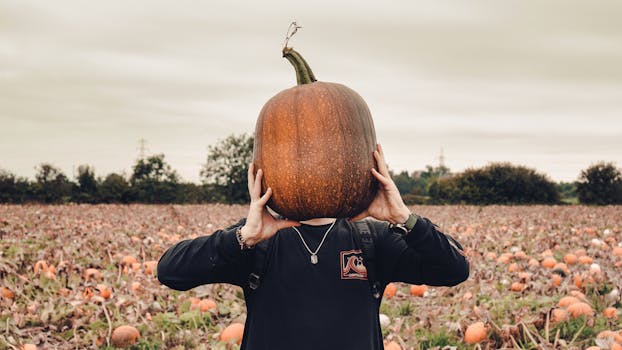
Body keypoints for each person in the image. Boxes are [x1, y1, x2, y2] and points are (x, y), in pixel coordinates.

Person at [157, 144, 469, 349]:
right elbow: (170, 271)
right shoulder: (255, 243)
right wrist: (242, 237)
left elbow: (454, 269)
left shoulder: (374, 239)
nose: (314, 170)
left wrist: (404, 217)